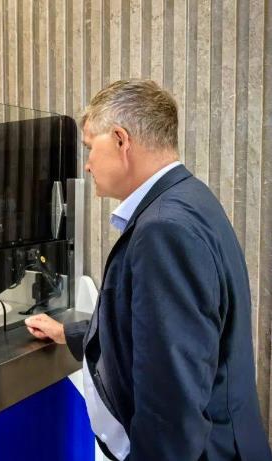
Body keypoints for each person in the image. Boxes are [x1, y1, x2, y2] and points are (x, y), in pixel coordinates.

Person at [25, 80, 271, 461]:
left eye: (90, 148)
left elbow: (169, 409)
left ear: (120, 140)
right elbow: (159, 332)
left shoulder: (164, 230)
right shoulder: (190, 198)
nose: (87, 165)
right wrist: (69, 333)